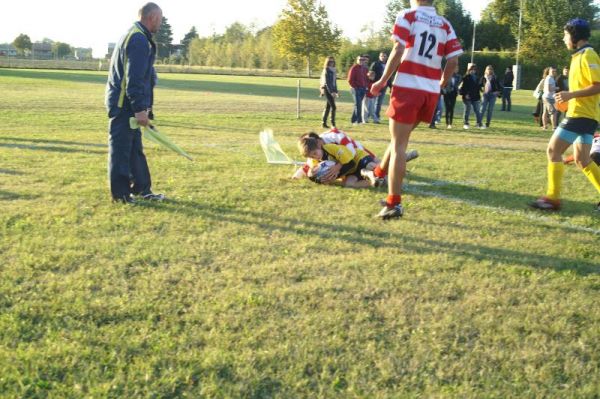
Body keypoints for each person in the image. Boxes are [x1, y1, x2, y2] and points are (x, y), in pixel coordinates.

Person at [370, 0, 462, 219]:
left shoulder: (408, 16)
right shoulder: (445, 24)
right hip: (429, 92)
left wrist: (383, 80)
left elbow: (399, 48)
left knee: (400, 144)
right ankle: (380, 172)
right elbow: (453, 62)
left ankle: (394, 203)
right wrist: (440, 84)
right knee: (399, 140)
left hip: (408, 87)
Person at [530, 18, 600, 212]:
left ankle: (552, 198)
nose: (563, 38)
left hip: (581, 115)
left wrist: (571, 95)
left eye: (565, 35)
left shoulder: (588, 55)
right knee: (582, 160)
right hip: (583, 113)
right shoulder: (578, 56)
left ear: (575, 36)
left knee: (553, 151)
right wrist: (568, 101)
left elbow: (598, 86)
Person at [105, 2, 164, 204]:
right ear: (152, 17)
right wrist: (139, 109)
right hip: (124, 105)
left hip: (129, 104)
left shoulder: (135, 35)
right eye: (160, 19)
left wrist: (146, 109)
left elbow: (146, 77)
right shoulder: (138, 39)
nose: (161, 24)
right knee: (121, 149)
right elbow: (134, 79)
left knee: (134, 149)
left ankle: (142, 189)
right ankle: (121, 195)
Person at [292, 127, 419, 181]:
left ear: (319, 141)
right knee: (376, 167)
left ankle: (400, 162)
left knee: (377, 163)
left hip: (356, 150)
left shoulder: (335, 136)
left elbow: (352, 152)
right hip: (346, 159)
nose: (314, 156)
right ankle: (397, 165)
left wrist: (338, 166)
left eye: (314, 152)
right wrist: (295, 177)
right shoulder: (316, 150)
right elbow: (308, 165)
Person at [297, 134, 382, 188]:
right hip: (352, 172)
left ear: (319, 145)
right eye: (311, 156)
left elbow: (351, 163)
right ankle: (375, 182)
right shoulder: (315, 162)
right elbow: (313, 175)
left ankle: (377, 173)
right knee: (349, 184)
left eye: (315, 153)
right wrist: (324, 179)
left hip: (359, 158)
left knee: (371, 166)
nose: (315, 157)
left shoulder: (331, 148)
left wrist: (336, 171)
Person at [370, 52, 392, 123]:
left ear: (386, 57)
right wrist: (372, 84)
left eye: (384, 56)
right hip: (376, 85)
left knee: (379, 103)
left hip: (384, 87)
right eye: (382, 56)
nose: (383, 57)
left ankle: (376, 116)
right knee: (371, 101)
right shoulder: (375, 64)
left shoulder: (388, 64)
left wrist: (391, 86)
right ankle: (368, 116)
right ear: (379, 57)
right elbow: (370, 74)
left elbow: (389, 76)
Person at [459, 64, 483, 129]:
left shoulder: (477, 78)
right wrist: (465, 94)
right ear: (469, 70)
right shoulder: (465, 77)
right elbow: (462, 87)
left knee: (477, 110)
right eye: (471, 69)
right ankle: (466, 123)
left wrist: (479, 96)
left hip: (475, 97)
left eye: (474, 70)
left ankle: (479, 123)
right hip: (467, 97)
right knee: (467, 110)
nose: (473, 71)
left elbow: (478, 88)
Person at [347, 55, 369, 125]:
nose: (361, 61)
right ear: (357, 60)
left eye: (363, 60)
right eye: (360, 59)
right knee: (358, 105)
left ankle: (353, 120)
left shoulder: (365, 69)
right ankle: (359, 121)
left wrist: (366, 86)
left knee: (357, 105)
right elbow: (350, 80)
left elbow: (366, 79)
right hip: (356, 89)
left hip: (363, 89)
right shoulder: (354, 68)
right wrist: (355, 87)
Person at [319, 56, 338, 128]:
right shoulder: (326, 70)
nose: (331, 63)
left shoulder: (334, 70)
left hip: (332, 89)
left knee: (328, 106)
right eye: (329, 62)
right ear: (327, 62)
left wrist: (336, 91)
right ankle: (333, 124)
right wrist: (331, 92)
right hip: (327, 89)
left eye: (333, 61)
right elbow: (327, 82)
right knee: (334, 107)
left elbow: (334, 82)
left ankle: (323, 123)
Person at [541, 66, 558, 130]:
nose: (554, 72)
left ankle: (545, 126)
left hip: (548, 97)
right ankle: (554, 127)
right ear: (549, 71)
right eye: (552, 71)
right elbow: (549, 89)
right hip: (548, 98)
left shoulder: (551, 78)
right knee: (553, 112)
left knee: (545, 112)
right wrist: (557, 88)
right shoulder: (549, 78)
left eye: (555, 71)